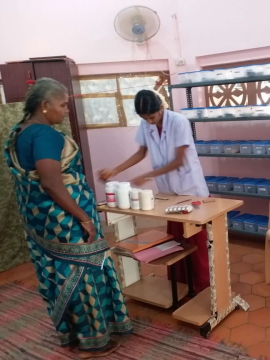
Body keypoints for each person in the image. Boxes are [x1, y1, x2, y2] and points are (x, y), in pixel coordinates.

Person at [4, 78, 132, 359]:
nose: (66, 111)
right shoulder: (45, 134)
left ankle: (71, 333)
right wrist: (84, 218)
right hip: (64, 221)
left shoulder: (20, 132)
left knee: (60, 276)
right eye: (62, 105)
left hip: (40, 221)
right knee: (85, 276)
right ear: (44, 105)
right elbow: (51, 182)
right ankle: (93, 341)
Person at [100, 89, 210, 293]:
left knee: (197, 241)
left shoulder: (179, 122)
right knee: (176, 241)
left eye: (151, 116)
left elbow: (179, 160)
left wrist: (149, 175)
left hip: (190, 187)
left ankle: (203, 286)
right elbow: (141, 152)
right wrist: (115, 170)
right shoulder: (146, 124)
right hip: (168, 190)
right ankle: (182, 285)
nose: (149, 121)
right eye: (144, 118)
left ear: (161, 108)